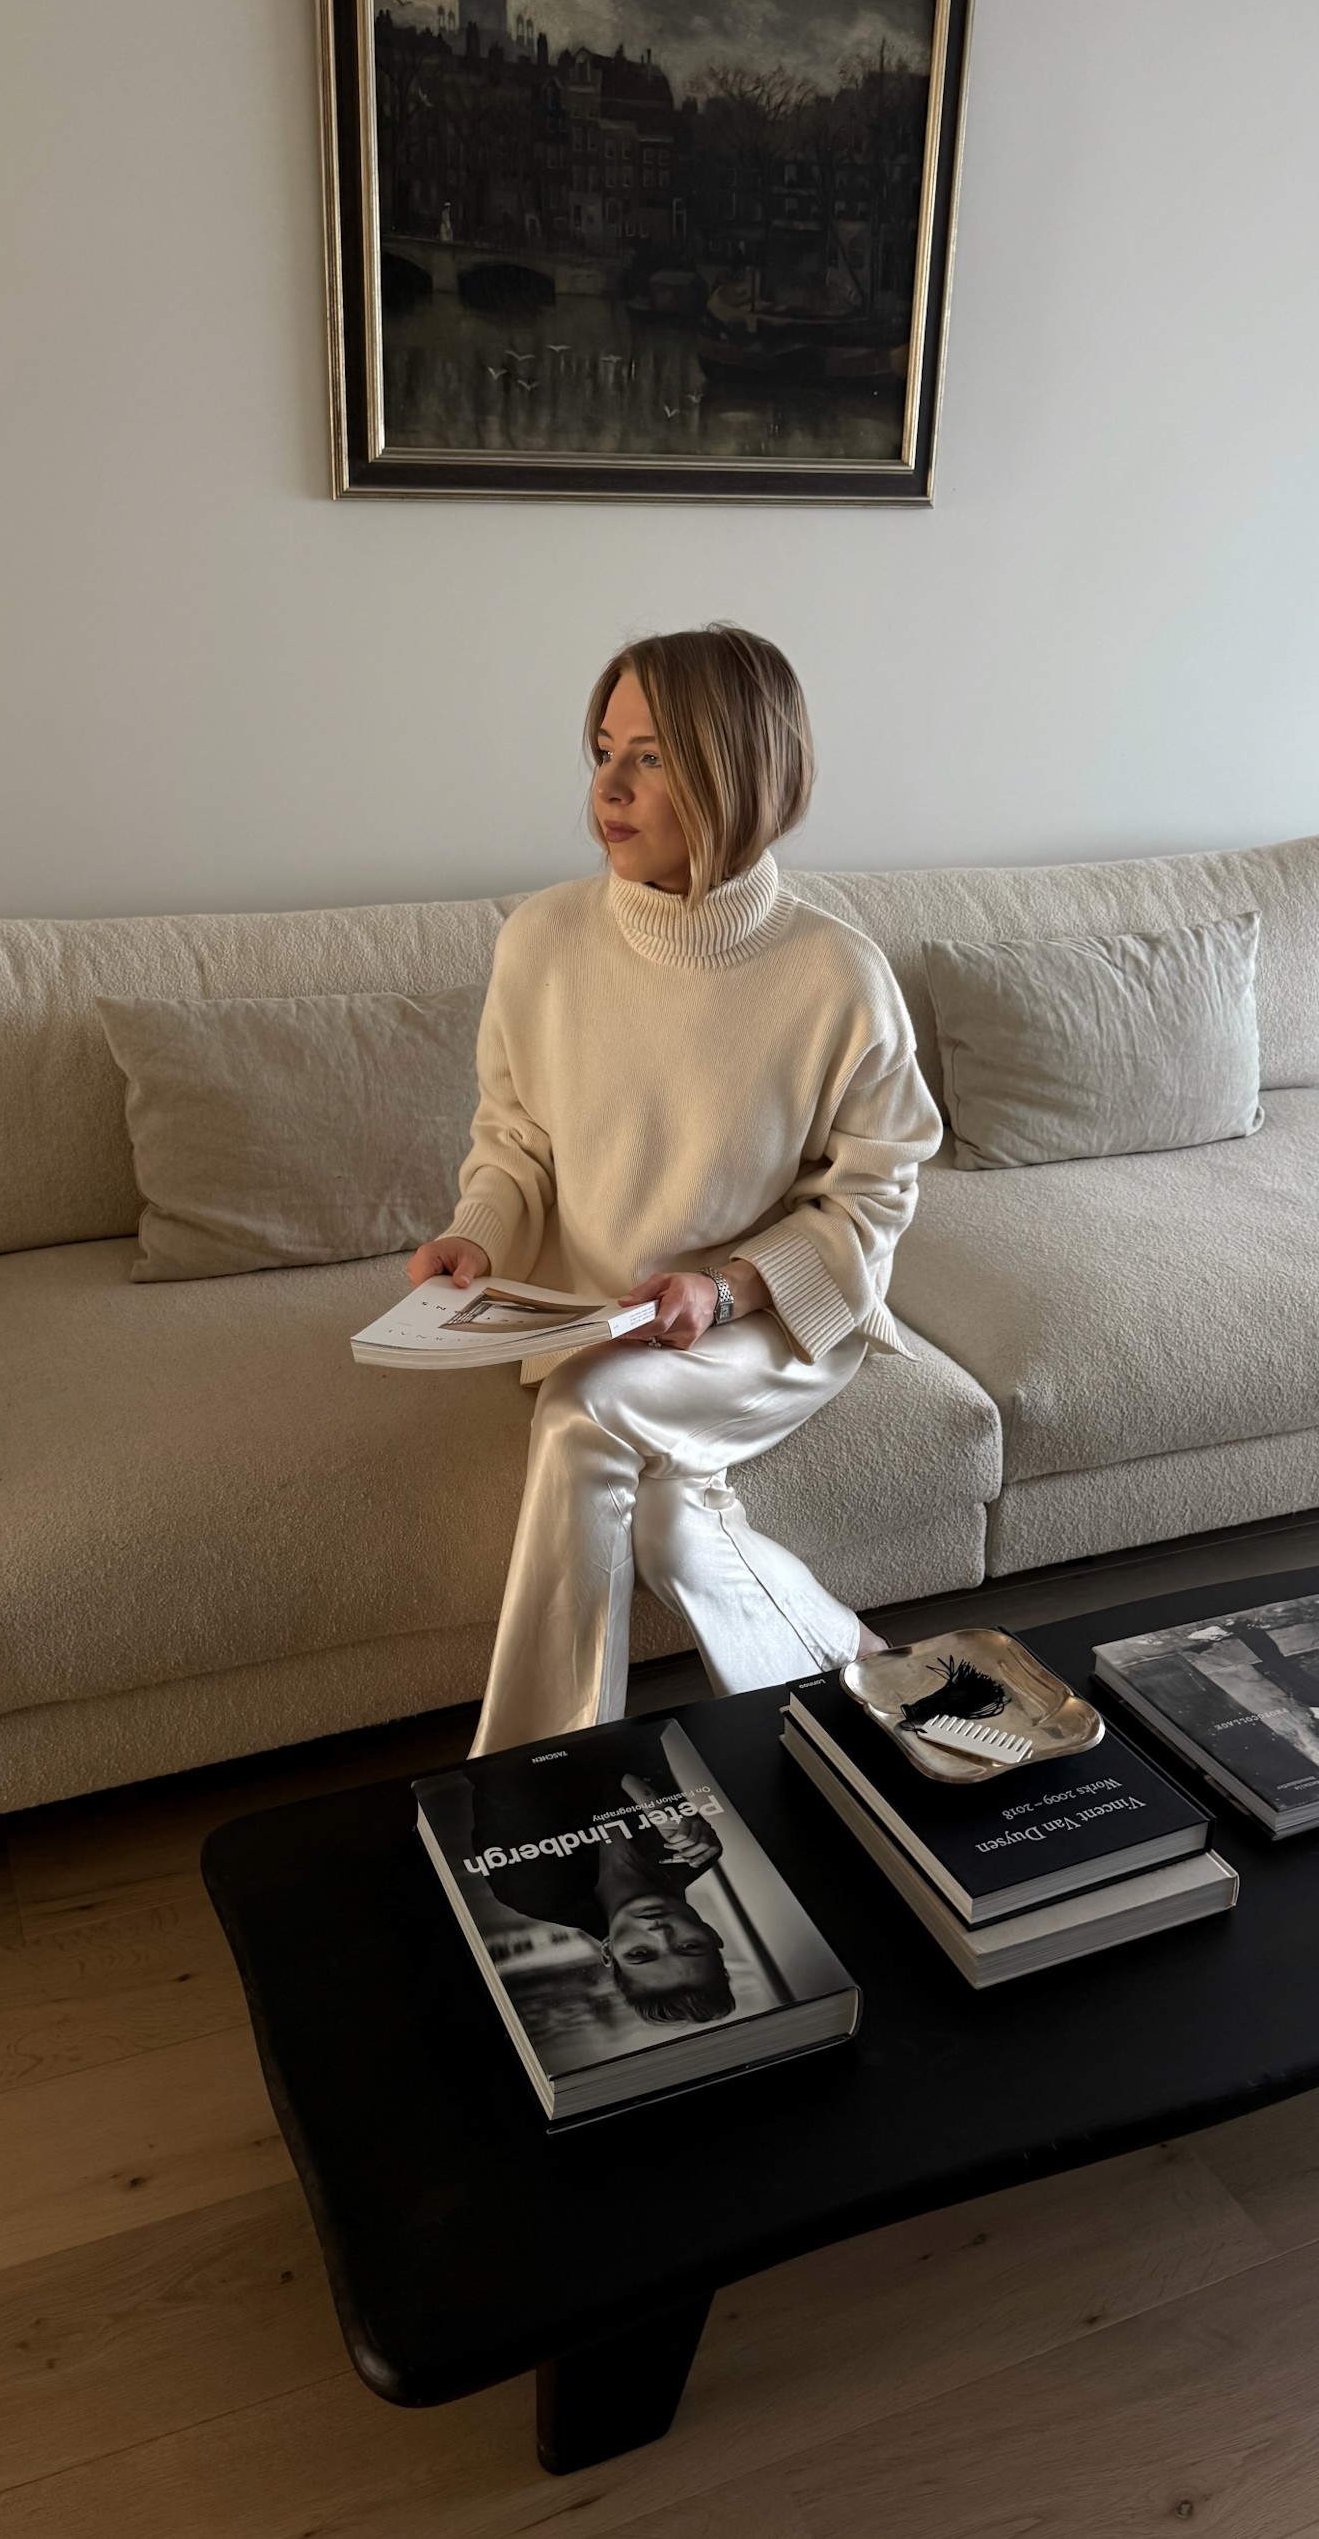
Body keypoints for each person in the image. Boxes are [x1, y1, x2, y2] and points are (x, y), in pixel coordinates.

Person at [410, 623, 942, 1752]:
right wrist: (477, 1237)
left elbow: (876, 1196)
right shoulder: (542, 942)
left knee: (583, 1411)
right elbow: (515, 1138)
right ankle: (861, 1680)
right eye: (602, 749)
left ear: (735, 767)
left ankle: (537, 1788)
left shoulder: (834, 973)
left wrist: (729, 1287)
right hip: (598, 1310)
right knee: (671, 1527)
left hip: (765, 1325)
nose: (607, 785)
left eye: (648, 756)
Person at [469, 1730, 734, 2024]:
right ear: (711, 1935)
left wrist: (639, 1790)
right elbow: (638, 1732)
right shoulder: (697, 1855)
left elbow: (500, 1768)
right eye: (690, 1946)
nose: (660, 1933)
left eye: (640, 1953)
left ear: (609, 1953)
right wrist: (663, 1804)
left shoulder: (529, 1890)